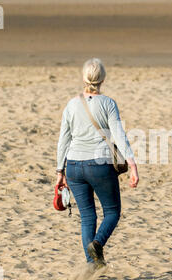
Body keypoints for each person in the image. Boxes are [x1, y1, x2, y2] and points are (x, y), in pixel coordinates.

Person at [56, 58, 139, 269]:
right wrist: (132, 163)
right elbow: (119, 136)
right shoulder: (108, 104)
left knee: (87, 217)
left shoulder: (71, 104)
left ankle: (91, 265)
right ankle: (97, 244)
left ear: (83, 78)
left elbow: (63, 140)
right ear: (102, 79)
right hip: (99, 165)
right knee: (112, 212)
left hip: (74, 165)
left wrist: (60, 171)